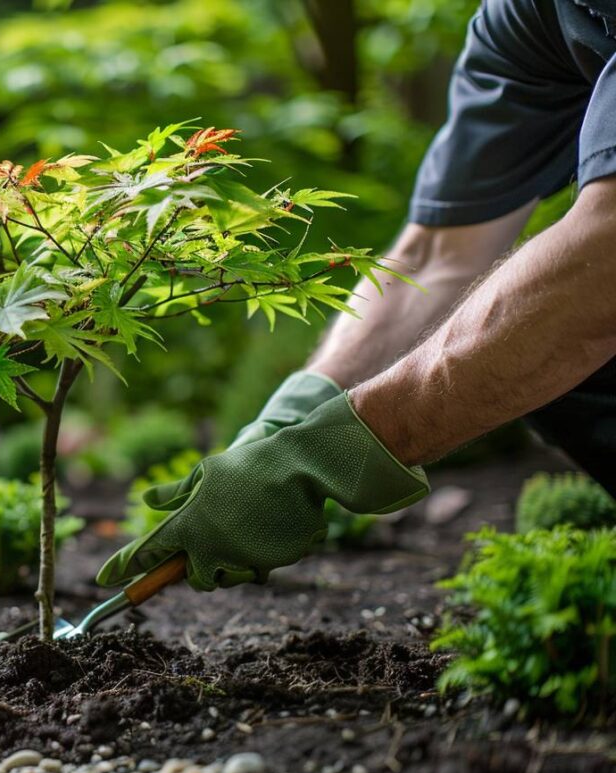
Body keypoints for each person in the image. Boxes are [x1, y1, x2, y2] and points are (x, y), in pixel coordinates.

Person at [98, 0, 616, 591]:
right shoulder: (525, 17)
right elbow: (438, 253)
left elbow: (603, 261)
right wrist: (291, 417)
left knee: (549, 331)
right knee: (541, 352)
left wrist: (325, 454)